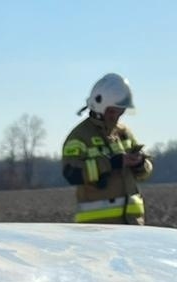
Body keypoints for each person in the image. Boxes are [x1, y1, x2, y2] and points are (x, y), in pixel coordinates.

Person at [61, 73, 153, 225]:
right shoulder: (79, 137)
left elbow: (146, 170)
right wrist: (111, 163)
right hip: (96, 229)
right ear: (99, 106)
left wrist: (139, 163)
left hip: (133, 226)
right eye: (113, 111)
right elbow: (72, 173)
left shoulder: (124, 133)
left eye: (120, 110)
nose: (117, 115)